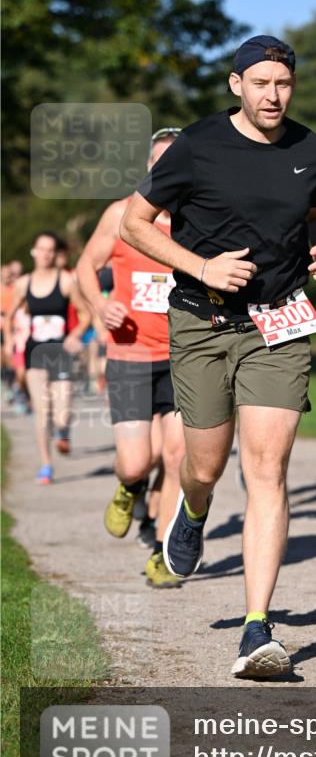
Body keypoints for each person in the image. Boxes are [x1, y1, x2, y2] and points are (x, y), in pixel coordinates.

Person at [120, 35, 316, 676]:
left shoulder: (308, 148)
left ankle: (256, 628)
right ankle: (191, 512)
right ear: (236, 84)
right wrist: (201, 266)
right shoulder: (197, 145)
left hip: (280, 322)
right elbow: (135, 223)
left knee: (267, 471)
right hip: (202, 322)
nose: (274, 95)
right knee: (206, 466)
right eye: (262, 82)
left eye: (285, 83)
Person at [77, 128, 186, 588]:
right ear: (148, 167)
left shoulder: (196, 222)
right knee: (139, 461)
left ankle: (163, 555)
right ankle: (130, 487)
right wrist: (101, 307)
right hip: (129, 354)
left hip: (183, 355)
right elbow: (84, 267)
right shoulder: (121, 214)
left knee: (179, 457)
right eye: (159, 163)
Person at [3, 232, 91, 483]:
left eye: (50, 250)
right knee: (42, 411)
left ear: (55, 253)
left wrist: (75, 335)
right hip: (34, 352)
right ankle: (46, 464)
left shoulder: (65, 281)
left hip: (60, 352)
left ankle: (63, 430)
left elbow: (85, 314)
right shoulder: (24, 284)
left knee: (61, 412)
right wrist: (9, 341)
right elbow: (9, 317)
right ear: (34, 251)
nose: (45, 254)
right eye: (41, 249)